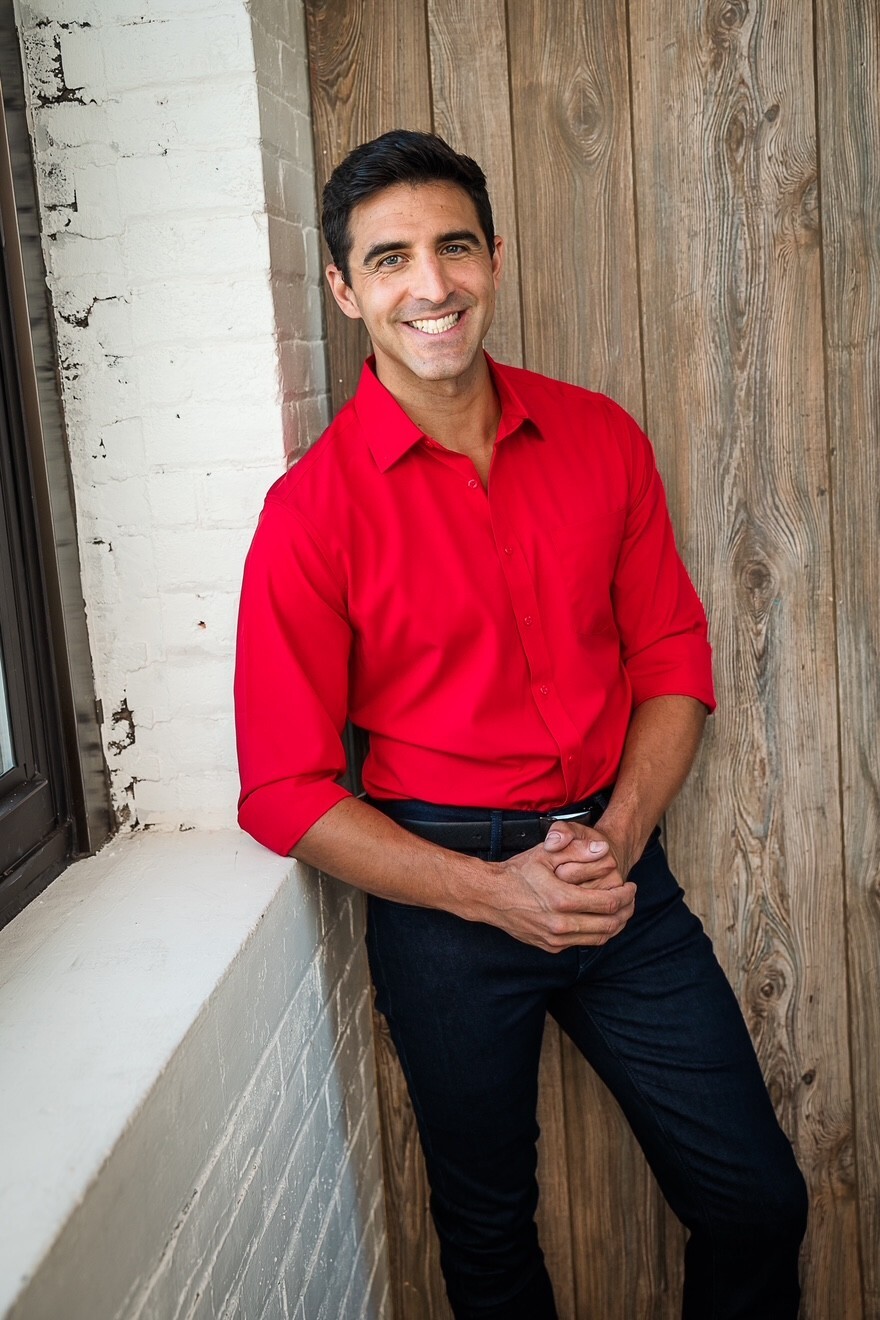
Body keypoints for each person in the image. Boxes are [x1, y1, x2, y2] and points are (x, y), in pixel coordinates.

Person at [234, 129, 807, 1320]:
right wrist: (493, 895)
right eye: (388, 259)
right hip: (443, 898)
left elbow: (670, 655)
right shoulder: (310, 514)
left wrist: (619, 839)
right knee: (488, 1238)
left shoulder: (599, 438)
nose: (429, 285)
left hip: (615, 874)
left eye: (453, 247)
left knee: (757, 1202)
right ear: (343, 289)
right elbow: (284, 789)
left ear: (494, 258)